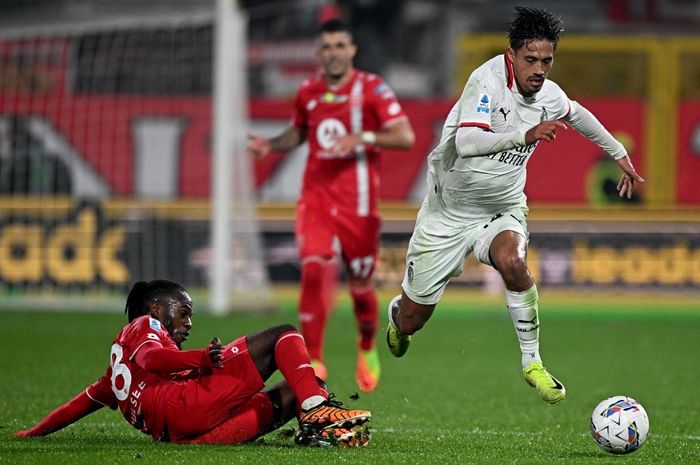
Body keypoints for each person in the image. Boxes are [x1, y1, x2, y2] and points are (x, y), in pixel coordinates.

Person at [385, 7, 644, 404]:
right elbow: (467, 144)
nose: (539, 69)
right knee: (413, 320)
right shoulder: (485, 83)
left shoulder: (548, 94)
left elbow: (576, 114)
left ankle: (532, 362)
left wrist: (617, 152)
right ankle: (398, 317)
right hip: (447, 213)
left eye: (546, 60)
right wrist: (524, 134)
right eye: (531, 60)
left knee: (513, 260)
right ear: (511, 55)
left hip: (502, 208)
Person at [247, 18, 415, 392]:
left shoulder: (372, 89)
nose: (333, 53)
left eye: (340, 45)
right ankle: (315, 358)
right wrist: (271, 145)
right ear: (318, 53)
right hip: (316, 198)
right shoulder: (308, 91)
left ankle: (367, 345)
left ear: (352, 49)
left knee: (359, 284)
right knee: (311, 268)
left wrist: (363, 136)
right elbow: (300, 132)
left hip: (358, 204)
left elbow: (405, 136)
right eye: (326, 47)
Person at [15, 279, 371, 447]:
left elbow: (79, 403)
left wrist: (34, 432)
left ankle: (313, 426)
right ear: (156, 309)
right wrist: (201, 358)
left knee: (305, 388)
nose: (188, 323)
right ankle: (317, 412)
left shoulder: (116, 375)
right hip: (183, 406)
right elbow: (153, 358)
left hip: (191, 436)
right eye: (183, 313)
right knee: (284, 334)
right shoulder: (143, 325)